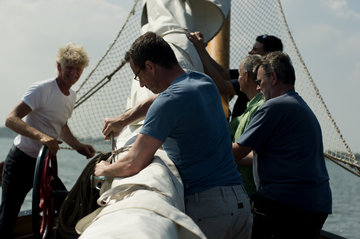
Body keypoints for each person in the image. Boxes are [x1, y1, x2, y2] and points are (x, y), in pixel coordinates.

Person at [96, 32, 252, 239]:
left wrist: (105, 169)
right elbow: (160, 98)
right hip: (240, 203)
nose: (141, 84)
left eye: (138, 75)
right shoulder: (203, 82)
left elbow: (133, 163)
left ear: (150, 66)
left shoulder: (168, 102)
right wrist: (124, 119)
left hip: (209, 209)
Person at [0, 43, 96, 238]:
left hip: (44, 166)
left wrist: (78, 146)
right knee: (7, 219)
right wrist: (42, 136)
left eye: (78, 69)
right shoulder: (41, 89)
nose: (74, 72)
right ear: (59, 66)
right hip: (20, 161)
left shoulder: (71, 96)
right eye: (69, 67)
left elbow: (61, 125)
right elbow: (11, 119)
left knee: (66, 207)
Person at [232, 51, 332, 239]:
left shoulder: (274, 106)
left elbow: (236, 153)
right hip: (316, 204)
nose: (259, 88)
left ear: (274, 78)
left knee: (232, 215)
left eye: (260, 82)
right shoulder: (299, 105)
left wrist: (201, 149)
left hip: (285, 202)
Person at [188, 32, 283, 120]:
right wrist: (202, 51)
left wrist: (200, 50)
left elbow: (223, 86)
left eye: (255, 50)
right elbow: (222, 73)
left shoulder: (254, 77)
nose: (250, 52)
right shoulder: (253, 72)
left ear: (267, 55)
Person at [226, 55, 264, 195]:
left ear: (246, 76)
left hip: (254, 193)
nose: (238, 79)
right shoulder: (250, 107)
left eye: (239, 75)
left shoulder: (261, 108)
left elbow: (258, 157)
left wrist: (220, 154)